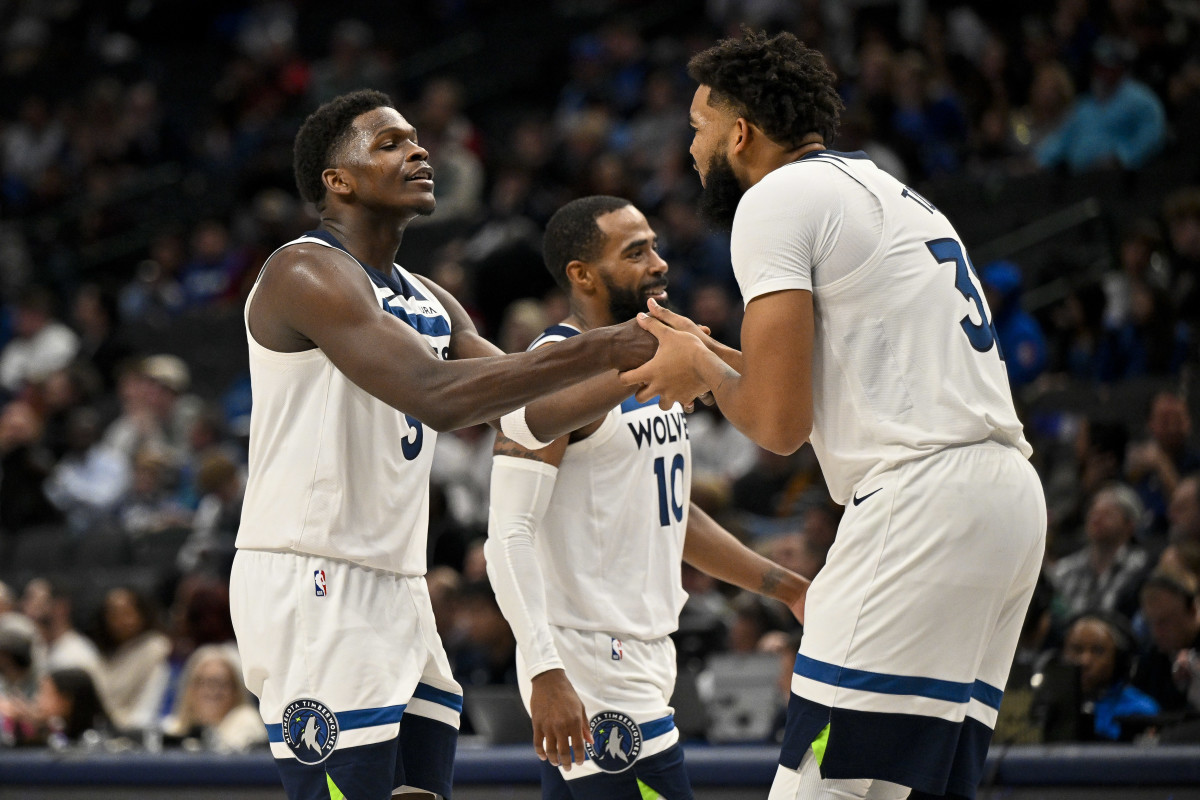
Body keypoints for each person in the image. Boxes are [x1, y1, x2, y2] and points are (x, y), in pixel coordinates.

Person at [620, 30, 1047, 800]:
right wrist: (715, 359)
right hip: (1004, 500)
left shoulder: (774, 201)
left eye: (698, 127)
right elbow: (825, 385)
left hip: (921, 502)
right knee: (907, 790)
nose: (690, 148)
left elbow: (780, 427)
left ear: (740, 132)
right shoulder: (881, 188)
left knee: (819, 786)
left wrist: (703, 369)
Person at [228, 89, 655, 800]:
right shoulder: (302, 272)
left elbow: (530, 411)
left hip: (398, 581)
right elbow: (434, 393)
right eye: (391, 143)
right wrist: (606, 345)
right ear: (338, 181)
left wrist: (648, 365)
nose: (419, 150)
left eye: (416, 139)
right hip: (313, 577)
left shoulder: (427, 296)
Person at [485, 196, 809, 800]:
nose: (659, 263)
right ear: (582, 275)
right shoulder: (554, 370)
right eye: (636, 253)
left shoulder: (659, 359)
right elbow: (507, 533)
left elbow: (671, 512)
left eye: (655, 246)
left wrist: (784, 586)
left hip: (643, 652)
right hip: (592, 661)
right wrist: (545, 670)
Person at [1059, 611, 1159, 741]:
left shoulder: (1140, 710)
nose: (1084, 661)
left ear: (1120, 659)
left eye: (1097, 651)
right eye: (1077, 649)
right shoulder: (1047, 707)